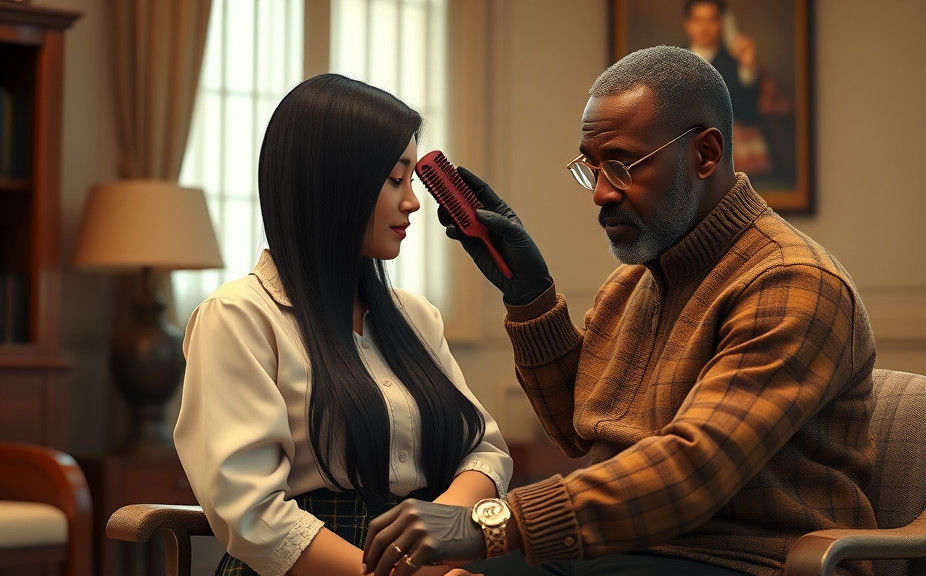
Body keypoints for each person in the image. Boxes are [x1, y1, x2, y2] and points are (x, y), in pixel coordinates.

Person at [361, 46, 877, 576]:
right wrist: (528, 295)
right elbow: (576, 428)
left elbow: (692, 470)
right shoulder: (634, 283)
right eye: (591, 167)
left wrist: (493, 522)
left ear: (705, 154)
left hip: (753, 560)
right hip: (637, 549)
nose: (601, 193)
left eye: (623, 166)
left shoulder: (794, 283)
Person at [173, 74, 511, 576]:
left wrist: (441, 533)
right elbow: (252, 515)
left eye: (413, 180)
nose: (413, 201)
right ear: (335, 185)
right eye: (396, 179)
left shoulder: (414, 317)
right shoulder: (240, 316)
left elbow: (483, 450)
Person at [683, 0, 773, 176]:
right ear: (687, 24)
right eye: (698, 20)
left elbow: (747, 113)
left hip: (725, 144)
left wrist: (748, 68)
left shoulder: (734, 63)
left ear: (721, 23)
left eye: (711, 20)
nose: (704, 27)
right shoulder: (673, 60)